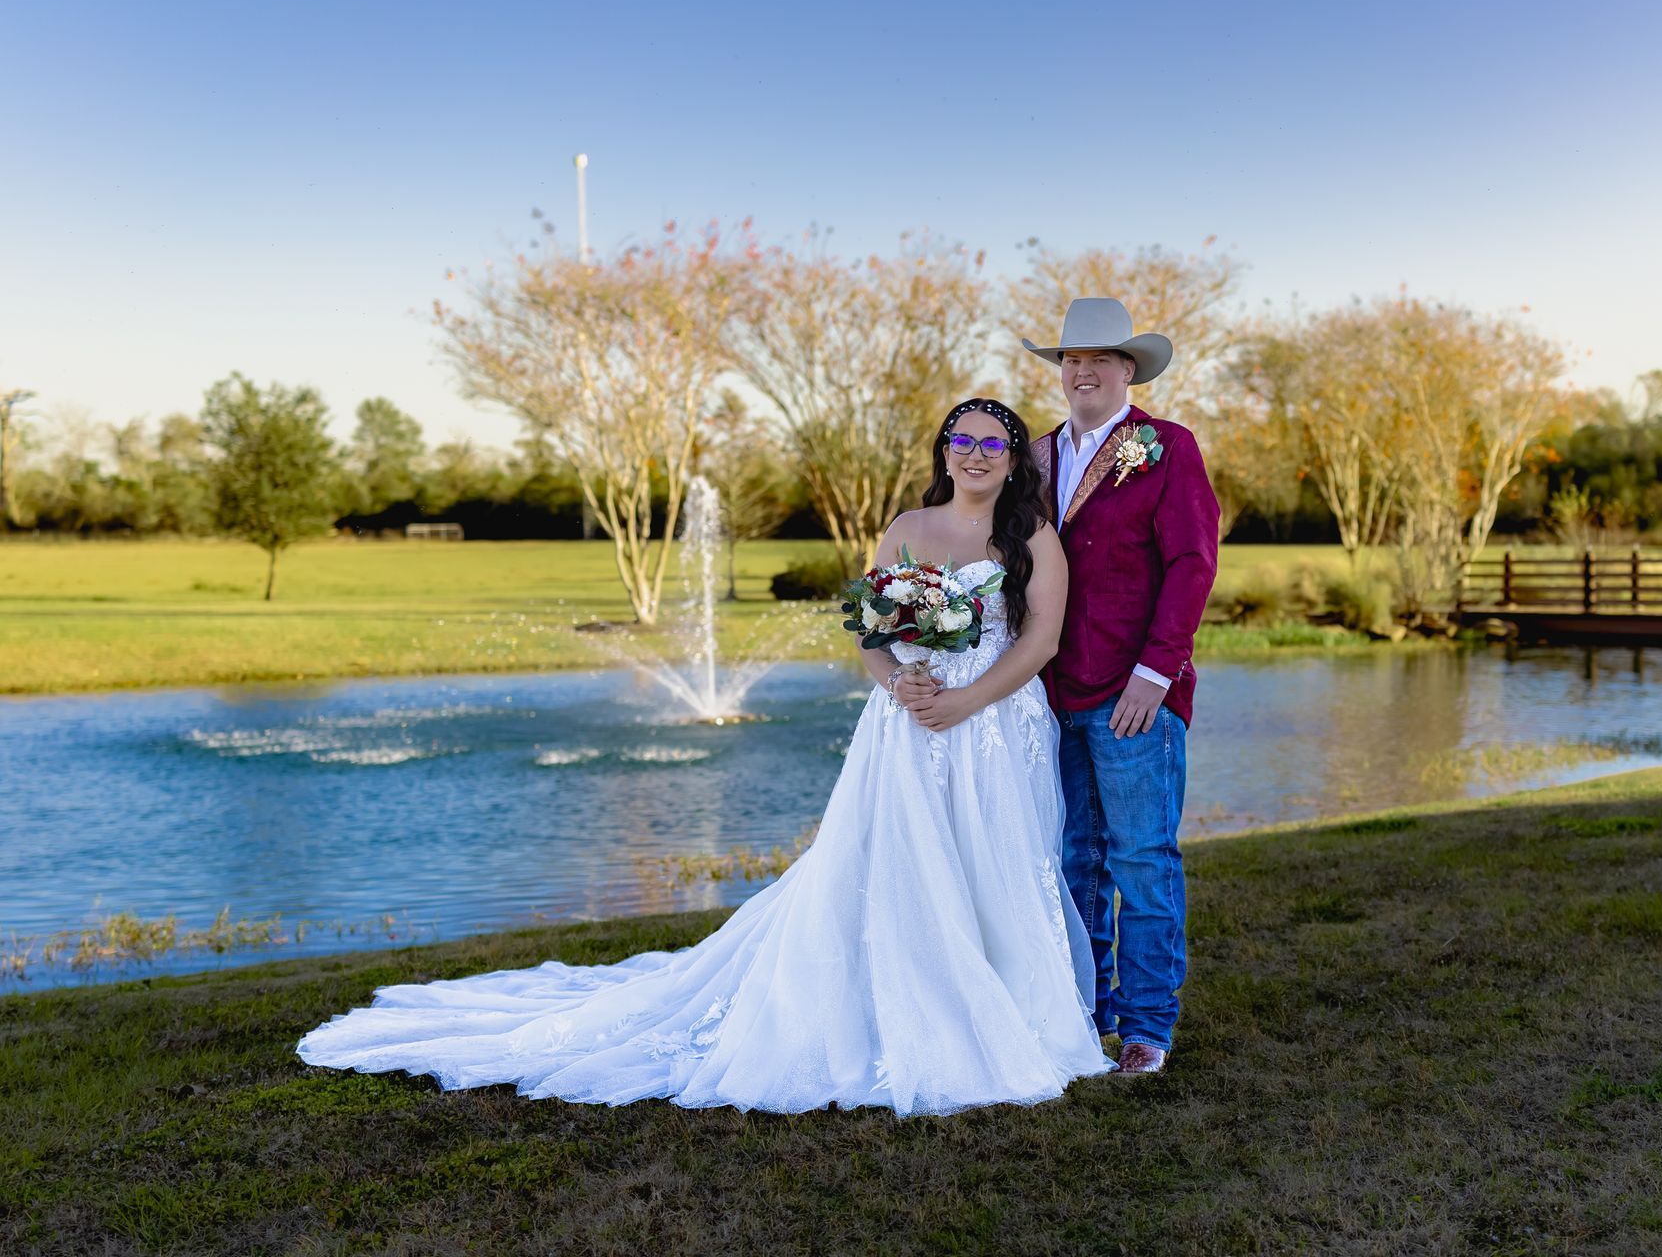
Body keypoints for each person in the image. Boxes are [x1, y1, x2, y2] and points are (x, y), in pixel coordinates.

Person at [296, 398, 1111, 1115]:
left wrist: (967, 699)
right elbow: (869, 628)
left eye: (991, 444)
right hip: (907, 722)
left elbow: (1041, 637)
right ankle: (900, 993)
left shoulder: (1033, 535)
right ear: (943, 452)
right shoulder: (905, 528)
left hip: (998, 721)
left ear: (1013, 460)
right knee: (902, 860)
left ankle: (1005, 1005)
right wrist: (900, 683)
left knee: (997, 863)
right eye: (959, 441)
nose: (973, 454)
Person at [1022, 298, 1220, 1075]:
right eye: (1071, 359)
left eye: (1099, 359)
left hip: (1135, 693)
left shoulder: (1166, 448)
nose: (1082, 371)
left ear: (1127, 370)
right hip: (1051, 693)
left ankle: (1145, 1028)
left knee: (1141, 861)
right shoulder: (1035, 458)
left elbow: (1192, 566)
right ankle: (1084, 1012)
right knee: (1075, 858)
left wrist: (1154, 674)